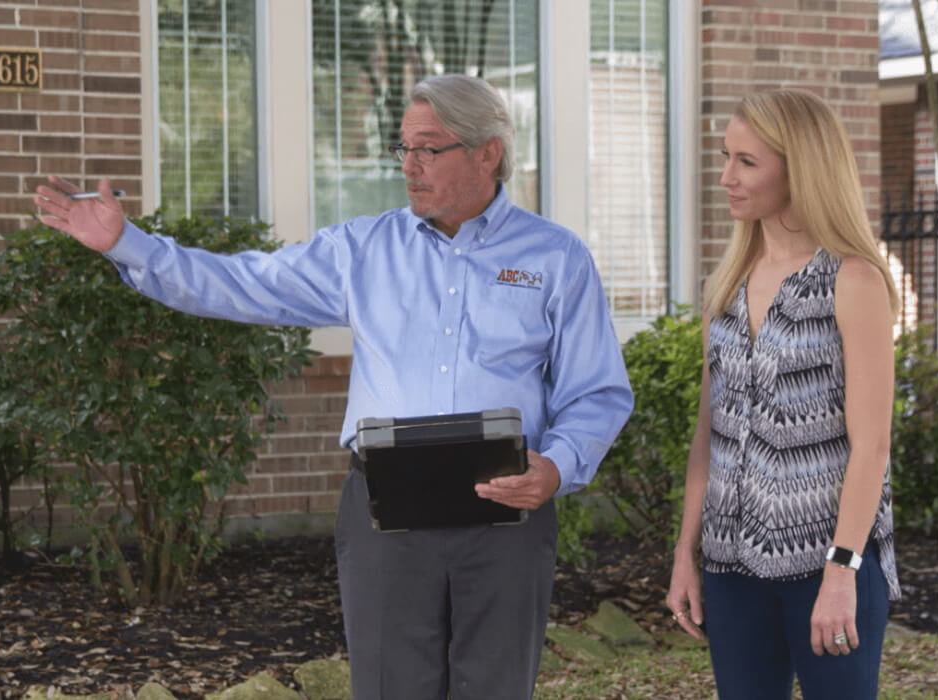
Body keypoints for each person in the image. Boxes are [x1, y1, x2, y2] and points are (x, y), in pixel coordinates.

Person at [35, 74, 633, 700]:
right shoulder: (364, 250)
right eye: (402, 149)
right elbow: (245, 282)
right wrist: (129, 245)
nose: (410, 167)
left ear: (487, 152)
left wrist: (557, 468)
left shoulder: (555, 257)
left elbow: (597, 391)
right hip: (387, 508)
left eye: (428, 149)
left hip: (508, 509)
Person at [665, 88, 902, 700]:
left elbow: (871, 444)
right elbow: (707, 435)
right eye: (727, 157)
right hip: (730, 566)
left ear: (801, 168)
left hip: (827, 564)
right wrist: (686, 554)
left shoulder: (853, 279)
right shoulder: (727, 285)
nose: (726, 177)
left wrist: (842, 570)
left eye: (747, 162)